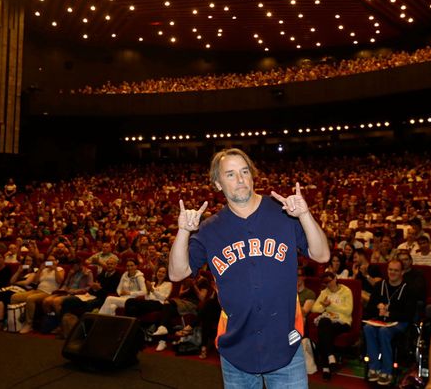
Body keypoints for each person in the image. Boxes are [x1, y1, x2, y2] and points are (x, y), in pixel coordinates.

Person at [168, 148, 330, 387]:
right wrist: (183, 231)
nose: (240, 179)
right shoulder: (210, 228)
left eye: (244, 171)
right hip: (236, 350)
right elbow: (177, 273)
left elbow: (322, 254)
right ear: (217, 183)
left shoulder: (284, 212)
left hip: (285, 346)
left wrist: (305, 215)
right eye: (230, 174)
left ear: (253, 176)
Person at [363, 259, 417, 386]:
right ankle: (374, 367)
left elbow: (409, 315)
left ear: (402, 272)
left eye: (396, 270)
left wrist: (389, 313)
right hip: (381, 321)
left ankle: (387, 370)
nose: (392, 273)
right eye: (390, 270)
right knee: (367, 328)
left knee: (383, 332)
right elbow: (369, 308)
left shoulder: (409, 289)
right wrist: (378, 307)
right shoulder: (379, 285)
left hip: (399, 322)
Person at [310, 271, 353, 380]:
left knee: (323, 329)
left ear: (335, 278)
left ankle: (326, 365)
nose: (328, 284)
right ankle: (330, 359)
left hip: (342, 322)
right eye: (326, 282)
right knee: (324, 323)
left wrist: (330, 306)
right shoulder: (325, 292)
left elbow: (348, 311)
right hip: (328, 322)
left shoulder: (346, 291)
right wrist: (324, 307)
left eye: (330, 281)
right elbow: (314, 308)